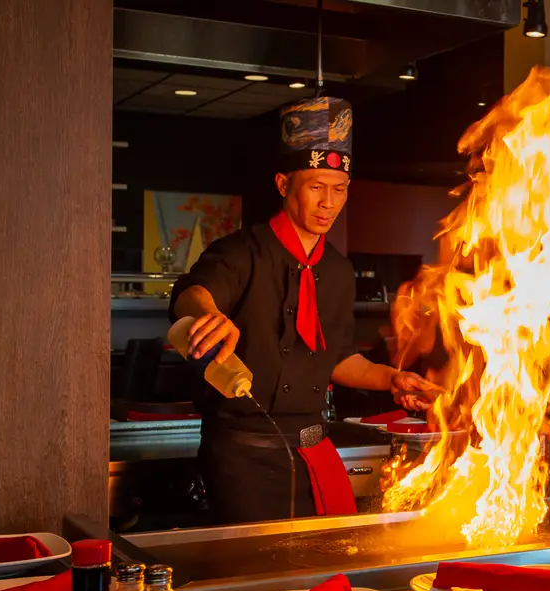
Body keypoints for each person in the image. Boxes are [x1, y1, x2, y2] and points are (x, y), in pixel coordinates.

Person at [169, 96, 440, 525]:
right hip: (242, 460)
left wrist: (390, 378)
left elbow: (337, 359)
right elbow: (190, 293)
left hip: (313, 453)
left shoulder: (338, 270)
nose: (328, 202)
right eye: (316, 187)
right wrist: (209, 313)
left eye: (339, 189)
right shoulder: (242, 252)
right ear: (283, 185)